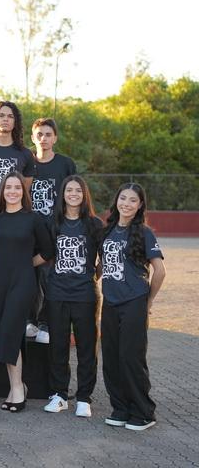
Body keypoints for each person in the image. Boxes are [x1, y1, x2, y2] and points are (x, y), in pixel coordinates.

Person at [100, 183, 166, 431]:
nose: (126, 204)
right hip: (110, 302)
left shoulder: (144, 233)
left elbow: (160, 271)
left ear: (140, 206)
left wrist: (148, 300)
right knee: (111, 358)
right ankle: (120, 409)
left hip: (134, 302)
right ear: (116, 201)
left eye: (132, 200)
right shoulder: (107, 231)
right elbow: (102, 266)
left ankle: (143, 412)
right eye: (123, 198)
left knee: (130, 358)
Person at [0, 172, 54, 413]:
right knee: (4, 334)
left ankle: (17, 389)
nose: (13, 191)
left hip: (23, 282)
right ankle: (17, 387)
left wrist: (27, 264)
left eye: (17, 187)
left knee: (9, 331)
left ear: (23, 192)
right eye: (8, 187)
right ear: (2, 191)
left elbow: (48, 251)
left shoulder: (33, 219)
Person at [42, 176, 103, 418]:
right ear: (63, 193)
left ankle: (84, 398)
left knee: (87, 348)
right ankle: (59, 394)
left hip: (85, 295)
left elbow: (103, 259)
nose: (74, 194)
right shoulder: (53, 222)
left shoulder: (94, 224)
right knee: (58, 346)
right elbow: (46, 255)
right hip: (57, 293)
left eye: (78, 190)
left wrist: (91, 276)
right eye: (69, 190)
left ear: (84, 194)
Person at [27, 118, 77, 343]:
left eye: (48, 134)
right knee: (28, 276)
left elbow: (73, 195)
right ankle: (28, 321)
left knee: (50, 278)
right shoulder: (26, 161)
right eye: (39, 134)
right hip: (29, 230)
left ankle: (46, 323)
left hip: (54, 231)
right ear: (32, 137)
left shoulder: (65, 164)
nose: (43, 139)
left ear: (55, 138)